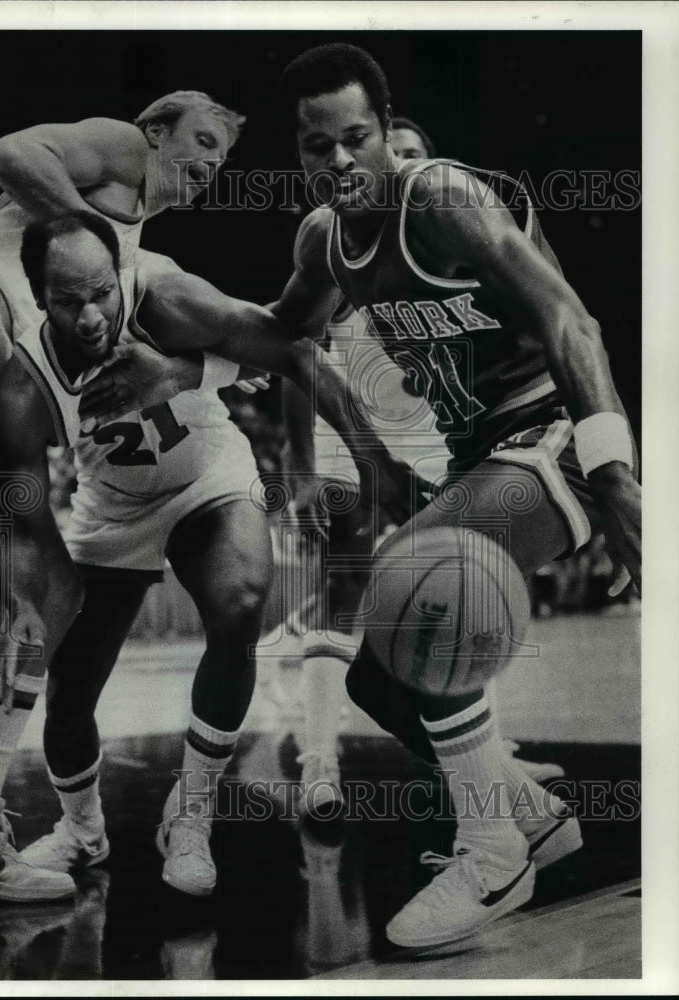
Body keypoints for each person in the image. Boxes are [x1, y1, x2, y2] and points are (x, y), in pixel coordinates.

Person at [271, 43, 640, 949]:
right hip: (480, 455)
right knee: (373, 681)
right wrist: (169, 349)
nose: (341, 162)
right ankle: (532, 813)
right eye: (319, 148)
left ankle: (491, 849)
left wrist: (616, 474)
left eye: (356, 138)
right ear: (301, 154)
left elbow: (569, 318)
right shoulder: (323, 240)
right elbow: (280, 331)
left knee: (417, 574)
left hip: (552, 433)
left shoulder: (439, 199)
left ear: (385, 131)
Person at [0, 212, 430, 902]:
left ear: (121, 275)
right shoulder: (22, 383)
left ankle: (191, 816)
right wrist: (27, 597)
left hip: (207, 480)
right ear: (37, 296)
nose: (91, 315)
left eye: (101, 291)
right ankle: (82, 829)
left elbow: (295, 348)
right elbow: (23, 511)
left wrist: (372, 461)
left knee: (241, 604)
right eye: (68, 301)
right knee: (68, 695)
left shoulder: (164, 299)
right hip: (111, 508)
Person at [0, 92, 255, 901]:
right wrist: (90, 246)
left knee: (22, 595)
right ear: (157, 129)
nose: (207, 164)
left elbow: (270, 342)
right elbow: (8, 151)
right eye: (198, 141)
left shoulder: (142, 276)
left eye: (221, 158)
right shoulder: (122, 152)